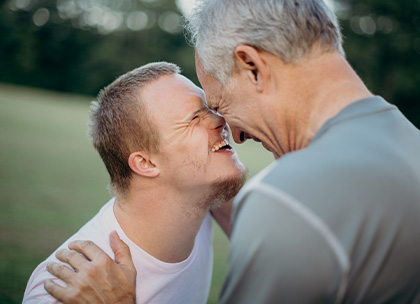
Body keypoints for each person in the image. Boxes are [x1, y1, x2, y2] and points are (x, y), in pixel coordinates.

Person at [45, 0, 420, 303]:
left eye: (220, 103)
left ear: (252, 66)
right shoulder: (408, 141)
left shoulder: (287, 202)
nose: (234, 134)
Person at [23, 61, 246, 303]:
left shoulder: (201, 195)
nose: (220, 119)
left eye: (211, 107)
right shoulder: (66, 288)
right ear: (146, 163)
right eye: (194, 118)